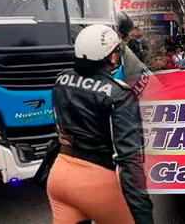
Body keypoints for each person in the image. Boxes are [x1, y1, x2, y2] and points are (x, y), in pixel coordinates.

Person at [48, 24, 153, 224]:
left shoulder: (61, 79)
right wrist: (143, 212)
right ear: (111, 56)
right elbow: (130, 159)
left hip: (59, 175)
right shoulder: (119, 94)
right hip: (96, 181)